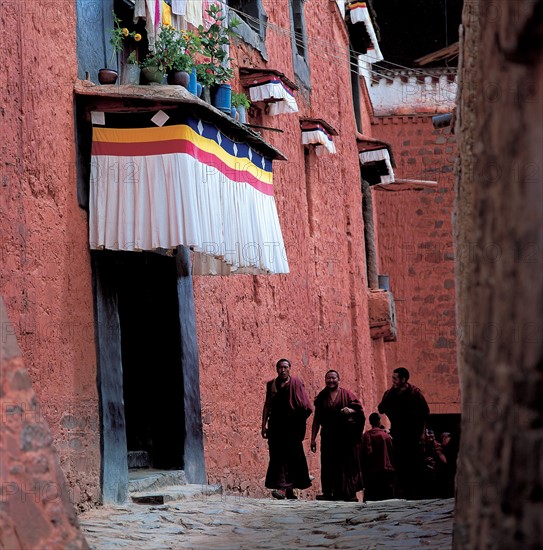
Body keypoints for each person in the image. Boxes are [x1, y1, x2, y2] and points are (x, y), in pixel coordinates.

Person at [310, 370, 365, 501]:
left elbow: (360, 411)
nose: (331, 380)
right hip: (329, 436)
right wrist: (312, 438)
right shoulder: (322, 397)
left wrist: (351, 410)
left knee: (347, 464)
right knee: (328, 464)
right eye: (328, 378)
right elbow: (317, 419)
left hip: (346, 437)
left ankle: (349, 493)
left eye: (333, 378)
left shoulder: (347, 395)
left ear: (338, 379)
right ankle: (329, 492)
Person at [261, 358, 313, 499]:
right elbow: (267, 405)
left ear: (289, 368)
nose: (282, 370)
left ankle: (289, 488)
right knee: (278, 457)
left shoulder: (296, 384)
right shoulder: (271, 385)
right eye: (280, 367)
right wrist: (263, 425)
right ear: (276, 369)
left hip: (292, 428)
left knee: (292, 457)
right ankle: (282, 487)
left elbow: (306, 406)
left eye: (285, 367)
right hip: (276, 426)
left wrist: (298, 421)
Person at [378, 367, 429, 499]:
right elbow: (381, 408)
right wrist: (390, 394)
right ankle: (402, 493)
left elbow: (424, 414)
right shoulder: (391, 393)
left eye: (395, 378)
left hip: (413, 433)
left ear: (403, 379)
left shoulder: (415, 393)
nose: (392, 381)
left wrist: (422, 434)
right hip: (398, 433)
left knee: (414, 463)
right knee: (399, 463)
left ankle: (417, 493)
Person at [361, 412, 395, 501]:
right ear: (379, 422)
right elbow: (391, 453)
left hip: (371, 471)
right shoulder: (386, 436)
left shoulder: (366, 435)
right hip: (384, 469)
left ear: (370, 422)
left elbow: (363, 454)